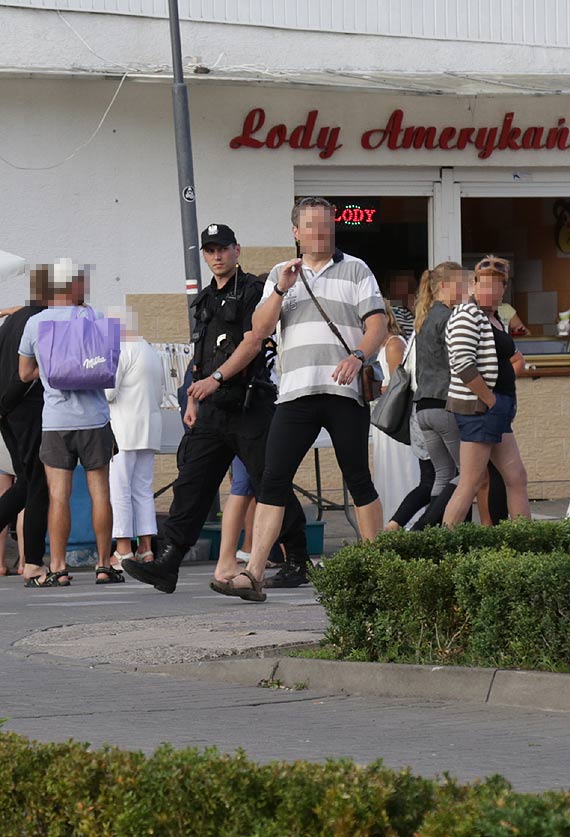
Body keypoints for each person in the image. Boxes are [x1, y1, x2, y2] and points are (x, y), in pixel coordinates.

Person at [212, 196, 386, 602]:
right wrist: (279, 290)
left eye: (326, 225)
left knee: (357, 477)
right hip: (294, 392)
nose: (320, 232)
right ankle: (254, 574)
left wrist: (359, 355)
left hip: (343, 391)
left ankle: (379, 569)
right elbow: (259, 330)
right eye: (310, 226)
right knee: (272, 479)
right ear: (295, 232)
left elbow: (377, 323)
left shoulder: (356, 268)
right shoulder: (280, 273)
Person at [121, 224, 310, 594]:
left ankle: (297, 559)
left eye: (222, 249)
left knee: (269, 483)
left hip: (250, 405)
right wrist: (193, 396)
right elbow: (201, 354)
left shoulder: (255, 291)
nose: (217, 256)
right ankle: (169, 561)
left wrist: (218, 379)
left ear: (237, 250)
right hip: (212, 409)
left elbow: (254, 343)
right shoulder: (206, 299)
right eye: (210, 251)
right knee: (193, 481)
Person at [18, 259, 119, 586]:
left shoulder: (35, 323)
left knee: (58, 495)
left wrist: (48, 373)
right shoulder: (97, 317)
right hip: (94, 420)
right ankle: (104, 565)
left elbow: (23, 373)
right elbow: (109, 364)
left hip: (56, 422)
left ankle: (59, 567)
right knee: (100, 493)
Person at [442, 255, 531, 526]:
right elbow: (462, 364)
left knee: (516, 477)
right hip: (479, 409)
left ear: (504, 289)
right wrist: (490, 399)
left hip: (496, 409)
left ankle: (523, 545)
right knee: (469, 483)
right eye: (485, 285)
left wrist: (499, 401)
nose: (491, 291)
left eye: (497, 285)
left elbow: (514, 358)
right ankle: (444, 547)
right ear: (474, 285)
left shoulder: (494, 318)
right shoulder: (467, 314)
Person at [0, 267, 50, 583]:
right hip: (27, 409)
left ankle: (33, 559)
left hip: (7, 412)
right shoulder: (42, 324)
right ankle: (32, 561)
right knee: (38, 483)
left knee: (26, 482)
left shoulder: (12, 322)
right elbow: (28, 373)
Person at [105, 316, 163, 568]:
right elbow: (161, 393)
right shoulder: (150, 350)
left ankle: (123, 549)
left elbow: (108, 392)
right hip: (150, 428)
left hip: (123, 429)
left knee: (120, 489)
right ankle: (146, 548)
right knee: (142, 489)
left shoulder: (119, 350)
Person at [413, 262, 467, 502]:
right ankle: (455, 533)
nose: (466, 290)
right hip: (445, 403)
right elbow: (457, 360)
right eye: (462, 285)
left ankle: (435, 534)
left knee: (442, 475)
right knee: (467, 476)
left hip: (423, 407)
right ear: (445, 286)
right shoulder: (449, 317)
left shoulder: (423, 318)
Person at [371, 301, 420, 524]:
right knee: (386, 470)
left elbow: (399, 385)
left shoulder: (393, 344)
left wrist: (373, 388)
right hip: (381, 419)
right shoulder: (375, 347)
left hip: (394, 417)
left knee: (401, 467)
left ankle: (407, 521)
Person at [387, 272, 416, 339]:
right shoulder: (387, 308)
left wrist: (413, 307)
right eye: (401, 286)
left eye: (408, 286)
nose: (405, 290)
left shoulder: (413, 309)